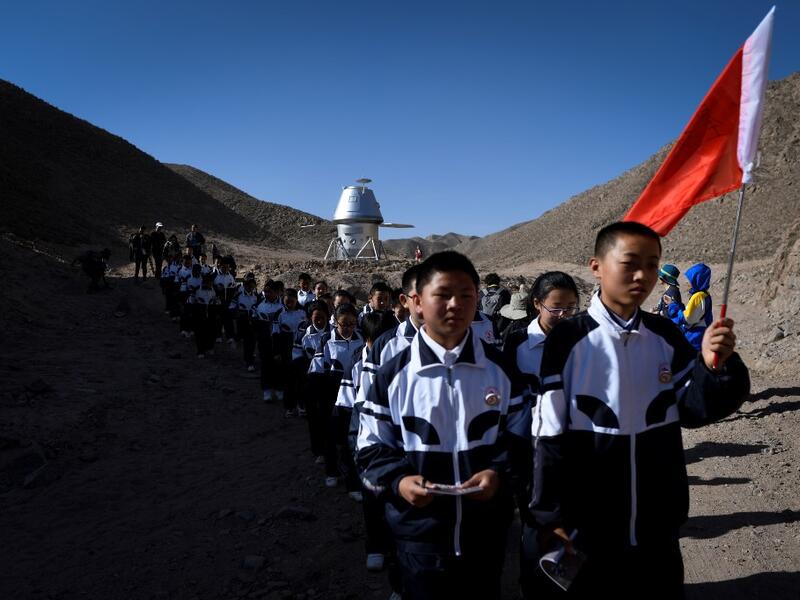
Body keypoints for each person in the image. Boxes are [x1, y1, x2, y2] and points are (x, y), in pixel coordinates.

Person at [530, 222, 750, 597]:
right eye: (630, 262)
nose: (642, 275)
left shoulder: (665, 334)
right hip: (590, 527)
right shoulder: (569, 340)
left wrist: (715, 368)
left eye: (652, 264)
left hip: (658, 526)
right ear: (596, 266)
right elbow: (548, 434)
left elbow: (694, 409)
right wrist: (549, 515)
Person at [356, 251, 529, 600]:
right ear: (417, 302)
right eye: (443, 294)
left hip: (486, 533)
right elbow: (369, 446)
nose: (456, 305)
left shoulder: (501, 370)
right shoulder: (393, 375)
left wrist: (499, 472)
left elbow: (523, 436)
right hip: (418, 536)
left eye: (466, 295)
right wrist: (399, 480)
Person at [503, 272, 580, 599]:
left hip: (574, 448)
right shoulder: (516, 340)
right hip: (530, 450)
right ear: (537, 304)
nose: (564, 316)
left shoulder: (582, 339)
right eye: (556, 308)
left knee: (574, 521)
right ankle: (532, 588)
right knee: (535, 524)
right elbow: (508, 397)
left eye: (571, 308)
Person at [309, 303, 364, 488]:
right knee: (331, 435)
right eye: (343, 324)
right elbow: (317, 370)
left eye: (351, 324)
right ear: (336, 323)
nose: (347, 328)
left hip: (354, 396)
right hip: (331, 394)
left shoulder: (361, 340)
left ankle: (352, 480)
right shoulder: (326, 340)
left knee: (352, 436)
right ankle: (331, 471)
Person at [302, 301, 334, 458]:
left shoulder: (335, 334)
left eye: (323, 317)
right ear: (310, 318)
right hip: (312, 381)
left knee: (330, 417)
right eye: (316, 318)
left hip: (331, 382)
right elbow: (299, 359)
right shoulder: (304, 335)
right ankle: (318, 450)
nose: (320, 321)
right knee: (314, 418)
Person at [275, 289, 309, 417]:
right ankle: (289, 407)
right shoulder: (280, 314)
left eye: (292, 300)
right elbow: (275, 334)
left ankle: (301, 405)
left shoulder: (303, 313)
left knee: (301, 379)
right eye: (287, 300)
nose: (289, 302)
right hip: (286, 349)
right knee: (289, 379)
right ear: (283, 300)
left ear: (296, 300)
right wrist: (277, 352)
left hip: (301, 349)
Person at [666, 262, 712, 351]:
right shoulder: (705, 295)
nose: (687, 282)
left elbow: (687, 318)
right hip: (702, 334)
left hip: (695, 337)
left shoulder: (698, 296)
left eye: (690, 279)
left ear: (697, 279)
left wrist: (672, 306)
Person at [252, 280, 284, 402]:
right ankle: (267, 391)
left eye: (269, 291)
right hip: (264, 341)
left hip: (279, 341)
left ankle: (279, 389)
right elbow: (255, 325)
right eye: (265, 291)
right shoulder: (259, 306)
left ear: (276, 292)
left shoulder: (283, 306)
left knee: (279, 366)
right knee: (266, 365)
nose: (266, 294)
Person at [230, 273, 260, 371]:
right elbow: (232, 306)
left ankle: (249, 362)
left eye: (253, 286)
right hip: (241, 321)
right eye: (249, 286)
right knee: (241, 337)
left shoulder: (256, 297)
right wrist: (236, 313)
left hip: (252, 322)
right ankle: (236, 340)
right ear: (245, 286)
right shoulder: (239, 295)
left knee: (250, 342)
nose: (251, 288)